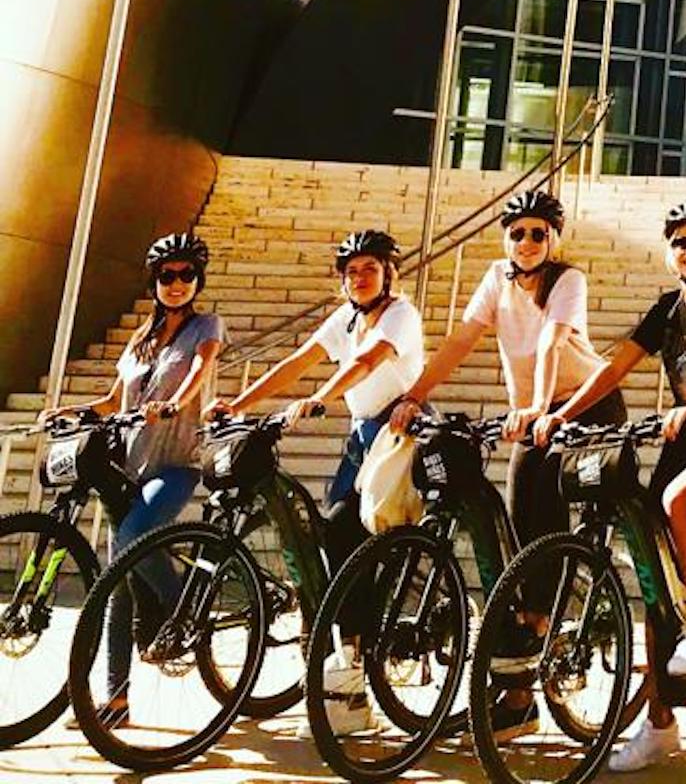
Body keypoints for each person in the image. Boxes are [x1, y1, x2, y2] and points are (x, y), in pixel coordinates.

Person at [534, 197, 686, 774]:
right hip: (679, 441)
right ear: (670, 253)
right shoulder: (666, 309)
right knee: (650, 574)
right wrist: (560, 413)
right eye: (682, 242)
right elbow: (615, 367)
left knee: (678, 499)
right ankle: (660, 725)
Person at [391, 187, 621, 740]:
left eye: (537, 233)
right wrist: (415, 395)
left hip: (585, 407)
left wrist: (541, 407)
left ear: (554, 239)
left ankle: (545, 624)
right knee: (518, 517)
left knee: (546, 517)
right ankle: (520, 673)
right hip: (533, 412)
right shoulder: (497, 278)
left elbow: (550, 344)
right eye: (516, 232)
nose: (525, 242)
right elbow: (462, 340)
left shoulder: (569, 281)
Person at [210, 228, 422, 735]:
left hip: (399, 435)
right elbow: (296, 361)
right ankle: (343, 657)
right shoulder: (345, 318)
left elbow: (370, 361)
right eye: (351, 271)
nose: (359, 277)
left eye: (370, 269)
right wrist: (238, 405)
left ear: (388, 273)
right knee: (331, 538)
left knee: (349, 535)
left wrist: (321, 397)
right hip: (361, 439)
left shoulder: (400, 314)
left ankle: (352, 674)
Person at [44, 231, 224, 731]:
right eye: (167, 275)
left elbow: (198, 369)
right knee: (116, 582)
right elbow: (111, 400)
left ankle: (179, 604)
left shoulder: (205, 326)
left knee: (130, 541)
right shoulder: (141, 338)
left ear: (197, 280)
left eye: (187, 274)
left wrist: (172, 403)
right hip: (129, 469)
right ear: (154, 281)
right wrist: (75, 411)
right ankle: (116, 700)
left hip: (176, 464)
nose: (176, 283)